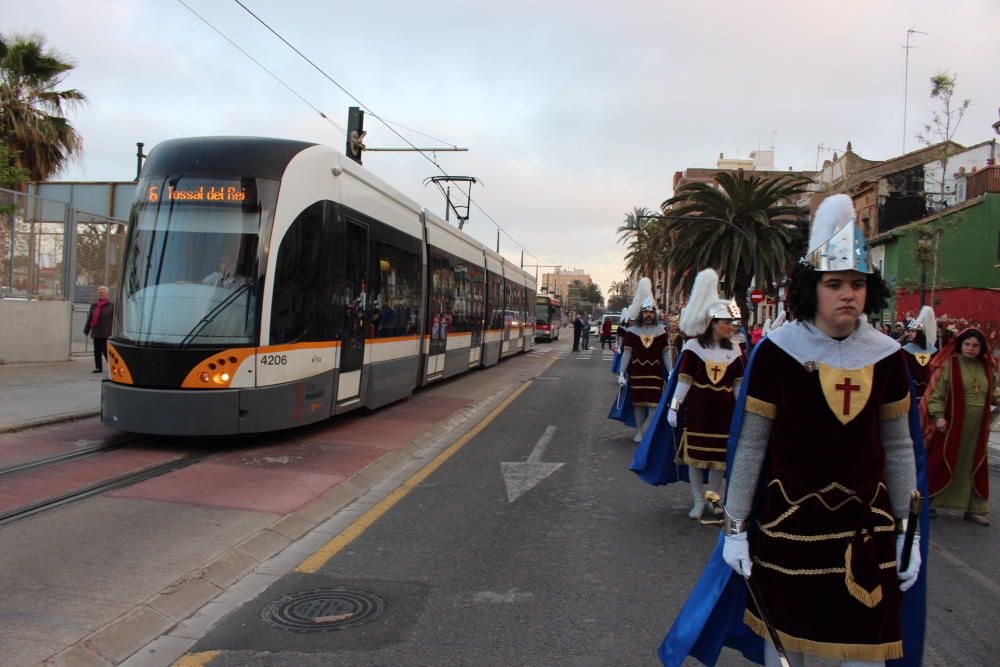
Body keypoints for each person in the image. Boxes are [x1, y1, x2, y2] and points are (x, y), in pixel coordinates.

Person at [661, 194, 926, 667]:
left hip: (866, 532)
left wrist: (910, 531)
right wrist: (737, 527)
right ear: (811, 288)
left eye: (858, 284)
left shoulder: (887, 356)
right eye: (835, 283)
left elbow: (900, 447)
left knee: (866, 650)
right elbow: (751, 449)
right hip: (789, 529)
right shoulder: (777, 353)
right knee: (788, 651)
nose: (849, 293)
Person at [669, 269, 745, 519]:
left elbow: (737, 387)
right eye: (727, 323)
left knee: (717, 461)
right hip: (699, 412)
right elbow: (684, 383)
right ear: (714, 323)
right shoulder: (693, 348)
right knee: (695, 459)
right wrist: (674, 407)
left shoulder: (735, 351)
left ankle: (714, 499)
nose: (731, 327)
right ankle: (697, 500)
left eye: (733, 323)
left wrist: (742, 413)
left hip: (724, 415)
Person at [921, 327, 997, 525]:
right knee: (941, 460)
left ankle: (973, 508)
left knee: (976, 464)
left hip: (978, 429)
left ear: (981, 348)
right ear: (960, 345)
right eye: (967, 344)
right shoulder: (950, 365)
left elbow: (994, 394)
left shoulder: (987, 368)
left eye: (975, 345)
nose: (971, 349)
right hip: (951, 424)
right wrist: (938, 417)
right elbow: (936, 395)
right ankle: (931, 502)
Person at [618, 278, 670, 442]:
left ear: (654, 314)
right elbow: (627, 353)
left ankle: (650, 432)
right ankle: (639, 431)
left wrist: (671, 370)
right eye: (646, 312)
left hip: (655, 375)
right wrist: (621, 372)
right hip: (637, 374)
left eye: (651, 312)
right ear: (641, 313)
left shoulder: (662, 332)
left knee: (654, 404)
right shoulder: (632, 332)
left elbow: (666, 353)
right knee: (638, 404)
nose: (648, 315)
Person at [901, 306, 937, 398]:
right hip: (910, 393)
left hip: (930, 394)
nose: (909, 333)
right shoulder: (905, 350)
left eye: (913, 331)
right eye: (908, 331)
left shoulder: (933, 351)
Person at [83, 286, 114, 374]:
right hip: (96, 331)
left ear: (107, 294)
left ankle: (112, 367)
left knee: (105, 351)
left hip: (106, 332)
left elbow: (116, 319)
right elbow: (90, 318)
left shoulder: (112, 305)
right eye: (100, 292)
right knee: (96, 351)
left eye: (103, 293)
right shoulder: (94, 305)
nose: (101, 294)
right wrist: (87, 330)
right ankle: (98, 367)